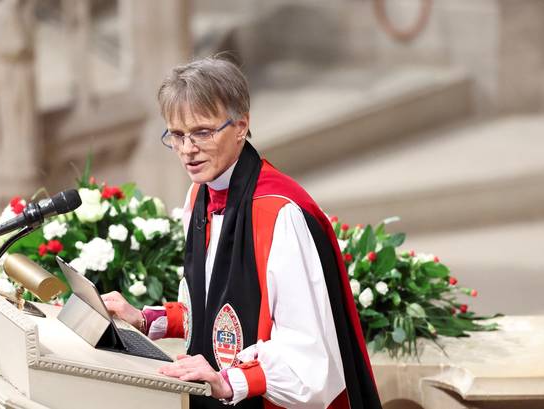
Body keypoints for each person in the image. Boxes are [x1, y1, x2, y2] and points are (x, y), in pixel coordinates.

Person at [102, 57, 382, 409]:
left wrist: (228, 381)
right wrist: (145, 319)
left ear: (241, 126)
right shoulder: (199, 196)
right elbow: (215, 315)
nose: (188, 150)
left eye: (202, 132)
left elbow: (309, 359)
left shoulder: (280, 214)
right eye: (177, 135)